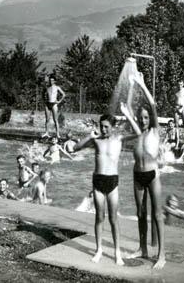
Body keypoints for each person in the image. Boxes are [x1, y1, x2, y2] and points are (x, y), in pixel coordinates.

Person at [119, 73, 166, 269]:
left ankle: (161, 255)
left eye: (146, 117)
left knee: (156, 215)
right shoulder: (138, 132)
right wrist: (131, 87)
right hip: (137, 175)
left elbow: (153, 105)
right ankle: (143, 248)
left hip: (152, 175)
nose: (144, 119)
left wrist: (141, 83)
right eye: (141, 117)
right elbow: (128, 109)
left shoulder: (155, 131)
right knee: (140, 213)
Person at [72, 113, 124, 266]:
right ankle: (99, 249)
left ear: (113, 127)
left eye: (106, 127)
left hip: (113, 181)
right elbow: (75, 148)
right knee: (99, 217)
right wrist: (89, 136)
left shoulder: (118, 140)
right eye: (101, 126)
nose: (103, 129)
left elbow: (138, 133)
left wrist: (127, 115)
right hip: (98, 181)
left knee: (113, 219)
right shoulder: (96, 140)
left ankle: (117, 252)